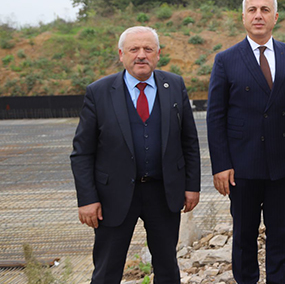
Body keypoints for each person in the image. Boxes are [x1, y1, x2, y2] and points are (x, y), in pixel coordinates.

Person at [70, 26, 201, 283]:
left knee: (167, 268)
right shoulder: (98, 92)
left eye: (148, 49)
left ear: (158, 54)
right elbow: (82, 152)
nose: (141, 55)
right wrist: (87, 199)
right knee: (107, 270)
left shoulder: (174, 85)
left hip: (163, 193)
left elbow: (189, 141)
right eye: (134, 49)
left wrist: (191, 186)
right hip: (113, 196)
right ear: (121, 54)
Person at [207, 0, 285, 284]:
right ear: (243, 17)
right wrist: (221, 164)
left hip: (283, 163)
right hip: (241, 166)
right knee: (244, 233)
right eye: (252, 10)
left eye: (265, 10)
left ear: (275, 17)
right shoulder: (226, 60)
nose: (258, 15)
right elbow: (215, 117)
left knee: (280, 231)